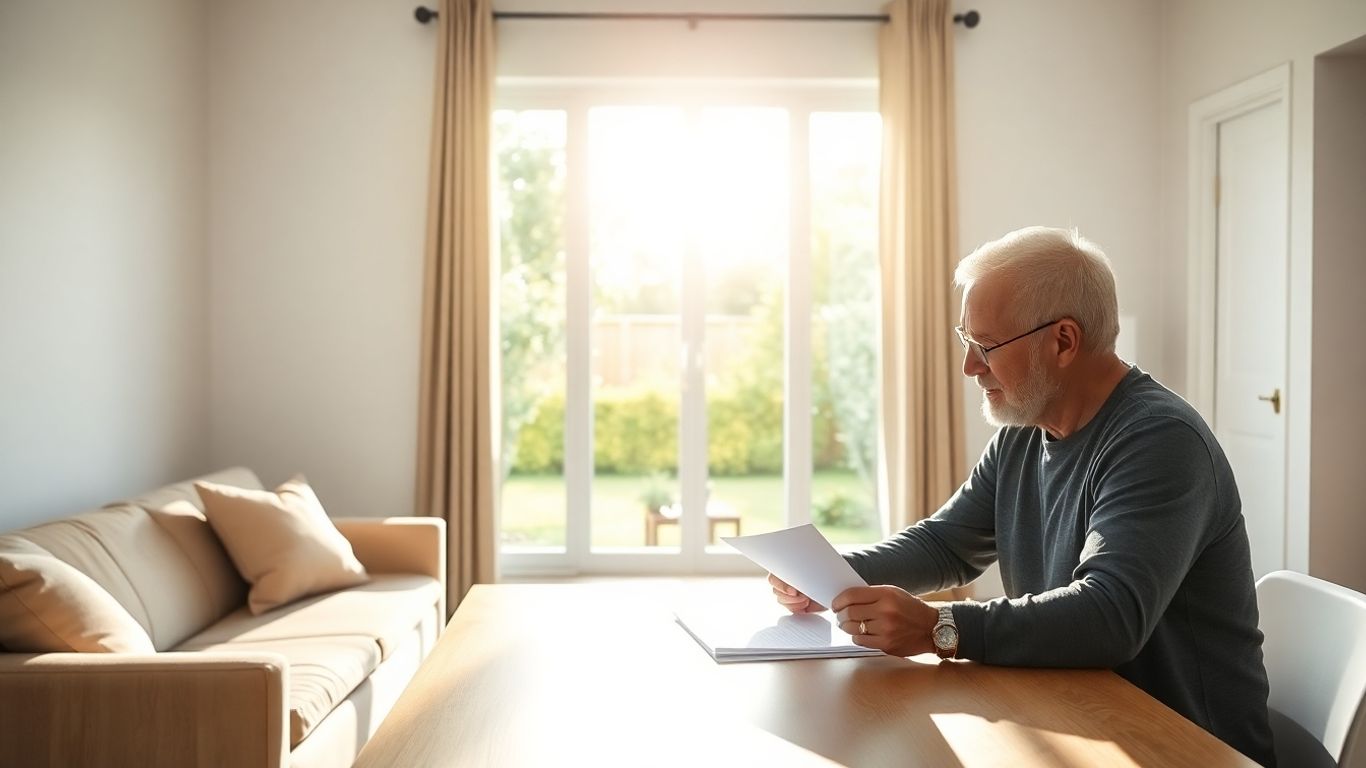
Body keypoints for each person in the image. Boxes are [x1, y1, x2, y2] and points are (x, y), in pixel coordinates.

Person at [771, 226, 1276, 766]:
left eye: (985, 346)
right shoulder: (1025, 431)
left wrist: (939, 628)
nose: (970, 366)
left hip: (1182, 747)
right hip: (1080, 719)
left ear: (1063, 341)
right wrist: (833, 574)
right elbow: (947, 544)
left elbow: (1110, 615)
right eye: (966, 341)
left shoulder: (1160, 440)